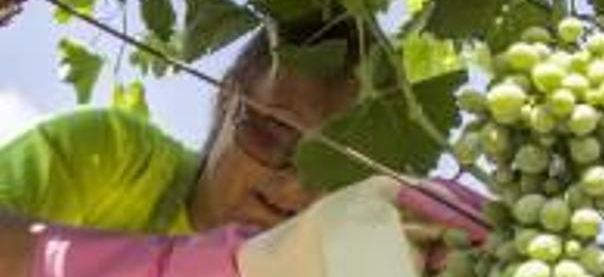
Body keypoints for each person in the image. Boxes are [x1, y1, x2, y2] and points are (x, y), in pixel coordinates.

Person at [0, 17, 485, 277]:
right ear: (227, 96)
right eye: (273, 132)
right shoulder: (113, 155)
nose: (295, 183)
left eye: (336, 167)